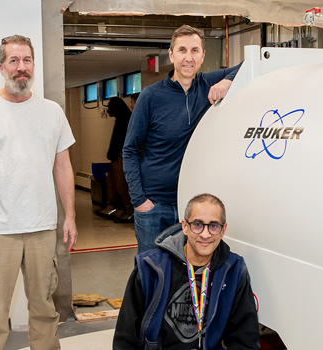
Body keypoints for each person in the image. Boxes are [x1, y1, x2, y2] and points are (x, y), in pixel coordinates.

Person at [0, 34, 77, 350]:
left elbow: (62, 167)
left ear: (33, 65)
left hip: (42, 228)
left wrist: (70, 217)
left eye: (27, 60)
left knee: (45, 313)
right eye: (14, 60)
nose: (21, 68)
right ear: (1, 67)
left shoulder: (52, 112)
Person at [123, 25, 243, 253]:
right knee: (152, 274)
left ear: (203, 56)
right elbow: (130, 150)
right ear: (171, 55)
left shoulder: (207, 83)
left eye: (195, 50)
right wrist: (139, 201)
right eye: (182, 50)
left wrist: (228, 81)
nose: (189, 57)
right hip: (153, 205)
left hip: (191, 208)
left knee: (186, 274)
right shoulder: (151, 96)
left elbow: (247, 65)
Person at [113, 193, 259, 350]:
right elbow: (125, 338)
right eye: (197, 224)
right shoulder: (151, 267)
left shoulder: (233, 270)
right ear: (184, 226)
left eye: (214, 226)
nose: (205, 234)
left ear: (223, 230)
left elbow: (246, 340)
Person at [98, 96, 135, 222]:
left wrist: (123, 152)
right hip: (115, 157)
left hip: (121, 157)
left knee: (121, 184)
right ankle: (112, 207)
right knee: (111, 183)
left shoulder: (127, 119)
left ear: (117, 108)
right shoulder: (120, 119)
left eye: (110, 107)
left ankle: (130, 210)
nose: (108, 110)